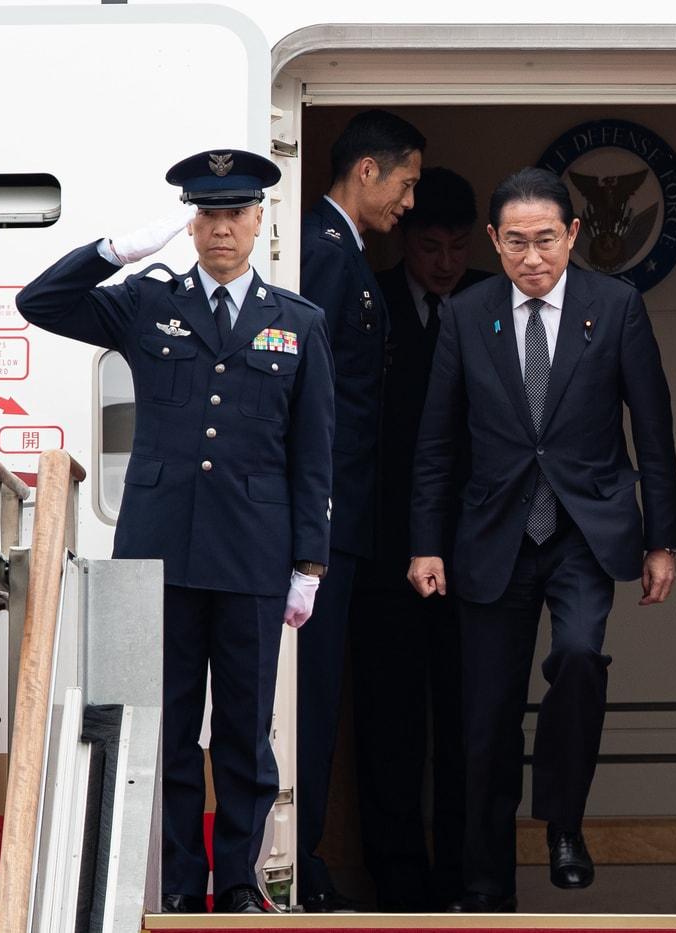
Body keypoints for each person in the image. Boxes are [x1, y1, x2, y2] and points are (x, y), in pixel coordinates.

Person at [15, 149, 335, 915]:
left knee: (245, 736)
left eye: (235, 213)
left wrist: (309, 564)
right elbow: (40, 301)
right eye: (208, 214)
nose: (222, 228)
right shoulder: (144, 303)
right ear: (191, 221)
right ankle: (185, 885)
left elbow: (315, 451)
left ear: (260, 220)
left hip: (254, 554)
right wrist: (115, 251)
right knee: (169, 730)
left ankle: (237, 879)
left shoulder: (298, 323)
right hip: (162, 551)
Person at [408, 167, 676, 912]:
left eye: (547, 240)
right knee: (485, 721)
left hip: (583, 533)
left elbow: (652, 433)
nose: (533, 258)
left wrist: (664, 541)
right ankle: (484, 886)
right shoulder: (467, 316)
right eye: (517, 242)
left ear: (571, 235)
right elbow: (434, 442)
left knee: (578, 658)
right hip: (491, 535)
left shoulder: (615, 306)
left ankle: (564, 824)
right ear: (495, 242)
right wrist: (425, 543)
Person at [351, 167, 490, 911]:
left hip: (481, 552)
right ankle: (398, 883)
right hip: (383, 549)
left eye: (458, 246)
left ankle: (466, 882)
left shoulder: (496, 300)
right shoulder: (368, 297)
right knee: (389, 724)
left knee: (472, 724)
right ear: (404, 238)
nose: (444, 262)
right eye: (429, 245)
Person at [296, 108, 425, 912]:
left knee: (323, 699)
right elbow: (308, 401)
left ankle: (305, 859)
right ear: (367, 171)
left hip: (346, 525)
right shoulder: (323, 252)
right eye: (405, 183)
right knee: (307, 701)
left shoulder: (346, 251)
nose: (409, 203)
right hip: (324, 524)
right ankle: (300, 865)